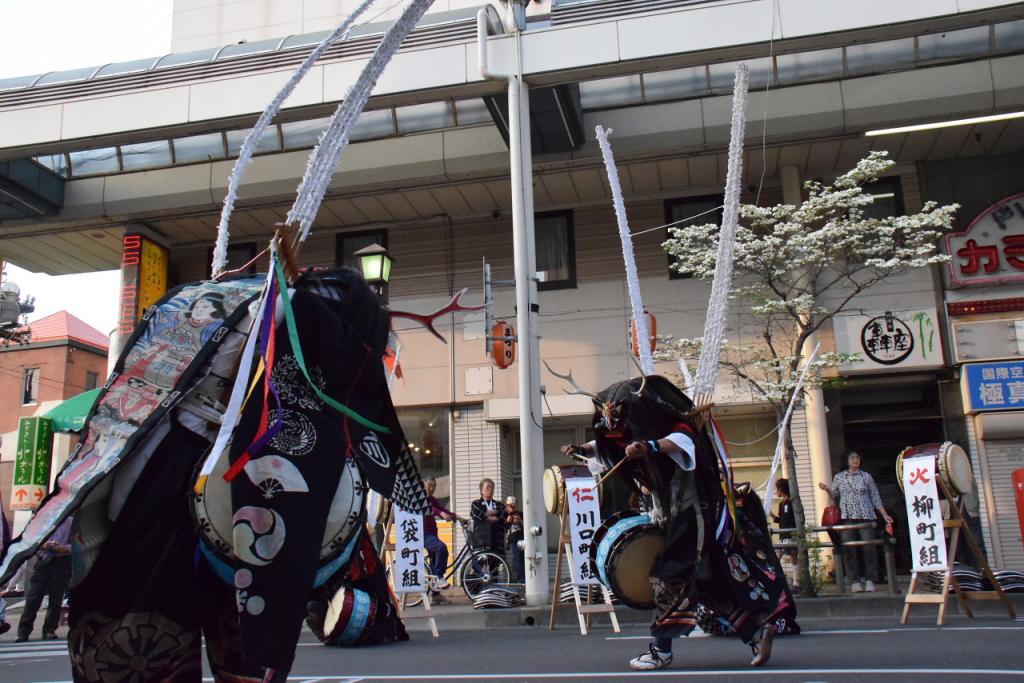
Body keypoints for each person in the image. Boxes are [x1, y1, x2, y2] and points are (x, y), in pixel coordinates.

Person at [563, 376, 794, 671]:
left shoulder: (672, 427)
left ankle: (661, 650)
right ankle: (757, 633)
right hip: (671, 517)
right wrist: (582, 450)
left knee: (667, 578)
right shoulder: (630, 433)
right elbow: (607, 446)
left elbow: (684, 442)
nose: (620, 431)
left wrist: (649, 446)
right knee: (705, 584)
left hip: (691, 515)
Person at [818, 451, 893, 593]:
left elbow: (875, 497)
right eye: (852, 457)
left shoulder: (866, 476)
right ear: (846, 460)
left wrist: (884, 514)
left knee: (869, 548)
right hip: (847, 517)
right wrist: (827, 489)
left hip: (866, 516)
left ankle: (871, 579)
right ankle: (854, 580)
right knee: (848, 549)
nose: (856, 460)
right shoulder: (839, 477)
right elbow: (834, 496)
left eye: (858, 457)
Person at [17, 516, 73, 642]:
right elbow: (29, 539)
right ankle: (23, 631)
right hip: (43, 560)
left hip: (61, 560)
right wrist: (43, 545)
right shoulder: (41, 519)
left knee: (56, 598)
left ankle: (49, 630)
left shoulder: (70, 521)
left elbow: (76, 542)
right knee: (34, 597)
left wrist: (65, 548)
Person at [423, 477, 454, 602]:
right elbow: (433, 510)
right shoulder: (421, 500)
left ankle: (435, 596)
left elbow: (443, 510)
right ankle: (440, 577)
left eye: (434, 486)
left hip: (432, 534)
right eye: (430, 485)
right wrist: (441, 514)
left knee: (434, 562)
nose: (432, 488)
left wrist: (456, 517)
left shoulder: (433, 499)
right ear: (424, 485)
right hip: (424, 534)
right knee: (442, 548)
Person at [770, 479, 799, 591]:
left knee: (793, 558)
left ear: (782, 489)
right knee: (776, 557)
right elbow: (781, 520)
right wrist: (772, 516)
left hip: (791, 535)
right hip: (783, 536)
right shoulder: (781, 504)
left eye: (777, 488)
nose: (776, 491)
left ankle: (796, 583)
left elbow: (795, 519)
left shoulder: (792, 502)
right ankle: (776, 580)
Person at [470, 478, 506, 552]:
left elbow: (504, 516)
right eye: (488, 487)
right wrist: (496, 515)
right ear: (481, 490)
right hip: (481, 540)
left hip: (497, 539)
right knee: (481, 562)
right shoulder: (476, 503)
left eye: (492, 487)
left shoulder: (499, 505)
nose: (490, 489)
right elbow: (477, 516)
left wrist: (491, 513)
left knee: (497, 561)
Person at [504, 497, 525, 583]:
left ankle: (522, 578)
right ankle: (519, 578)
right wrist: (509, 519)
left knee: (522, 559)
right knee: (517, 559)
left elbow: (526, 525)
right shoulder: (505, 515)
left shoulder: (521, 513)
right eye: (510, 506)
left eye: (513, 505)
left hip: (522, 538)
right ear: (507, 506)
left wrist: (519, 519)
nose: (512, 508)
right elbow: (505, 528)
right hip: (513, 540)